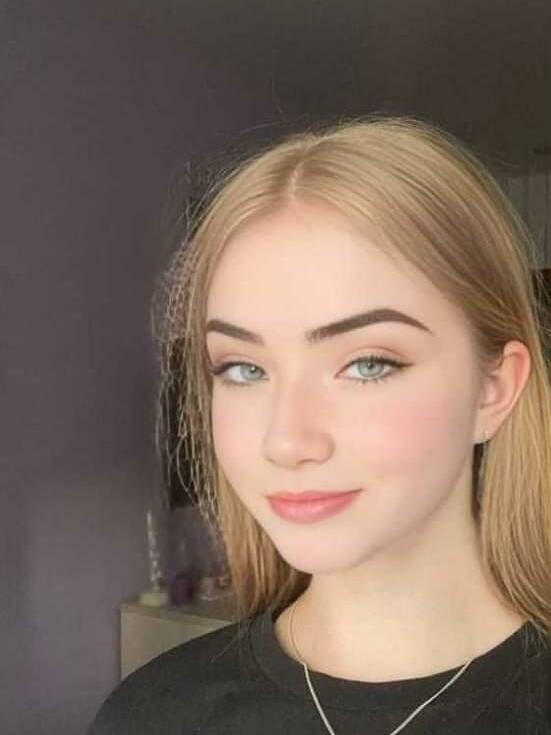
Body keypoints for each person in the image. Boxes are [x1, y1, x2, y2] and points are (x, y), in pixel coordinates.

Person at [87, 115, 551, 734]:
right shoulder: (150, 717)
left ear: (493, 389)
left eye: (368, 364)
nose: (286, 440)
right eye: (244, 369)